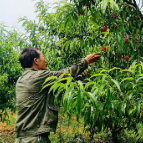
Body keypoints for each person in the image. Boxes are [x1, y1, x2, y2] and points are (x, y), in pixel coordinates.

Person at [14, 47, 101, 143]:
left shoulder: (21, 79)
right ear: (36, 61)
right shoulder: (39, 76)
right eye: (43, 57)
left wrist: (76, 79)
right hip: (35, 138)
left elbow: (56, 85)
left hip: (22, 138)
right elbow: (64, 74)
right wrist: (86, 61)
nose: (45, 60)